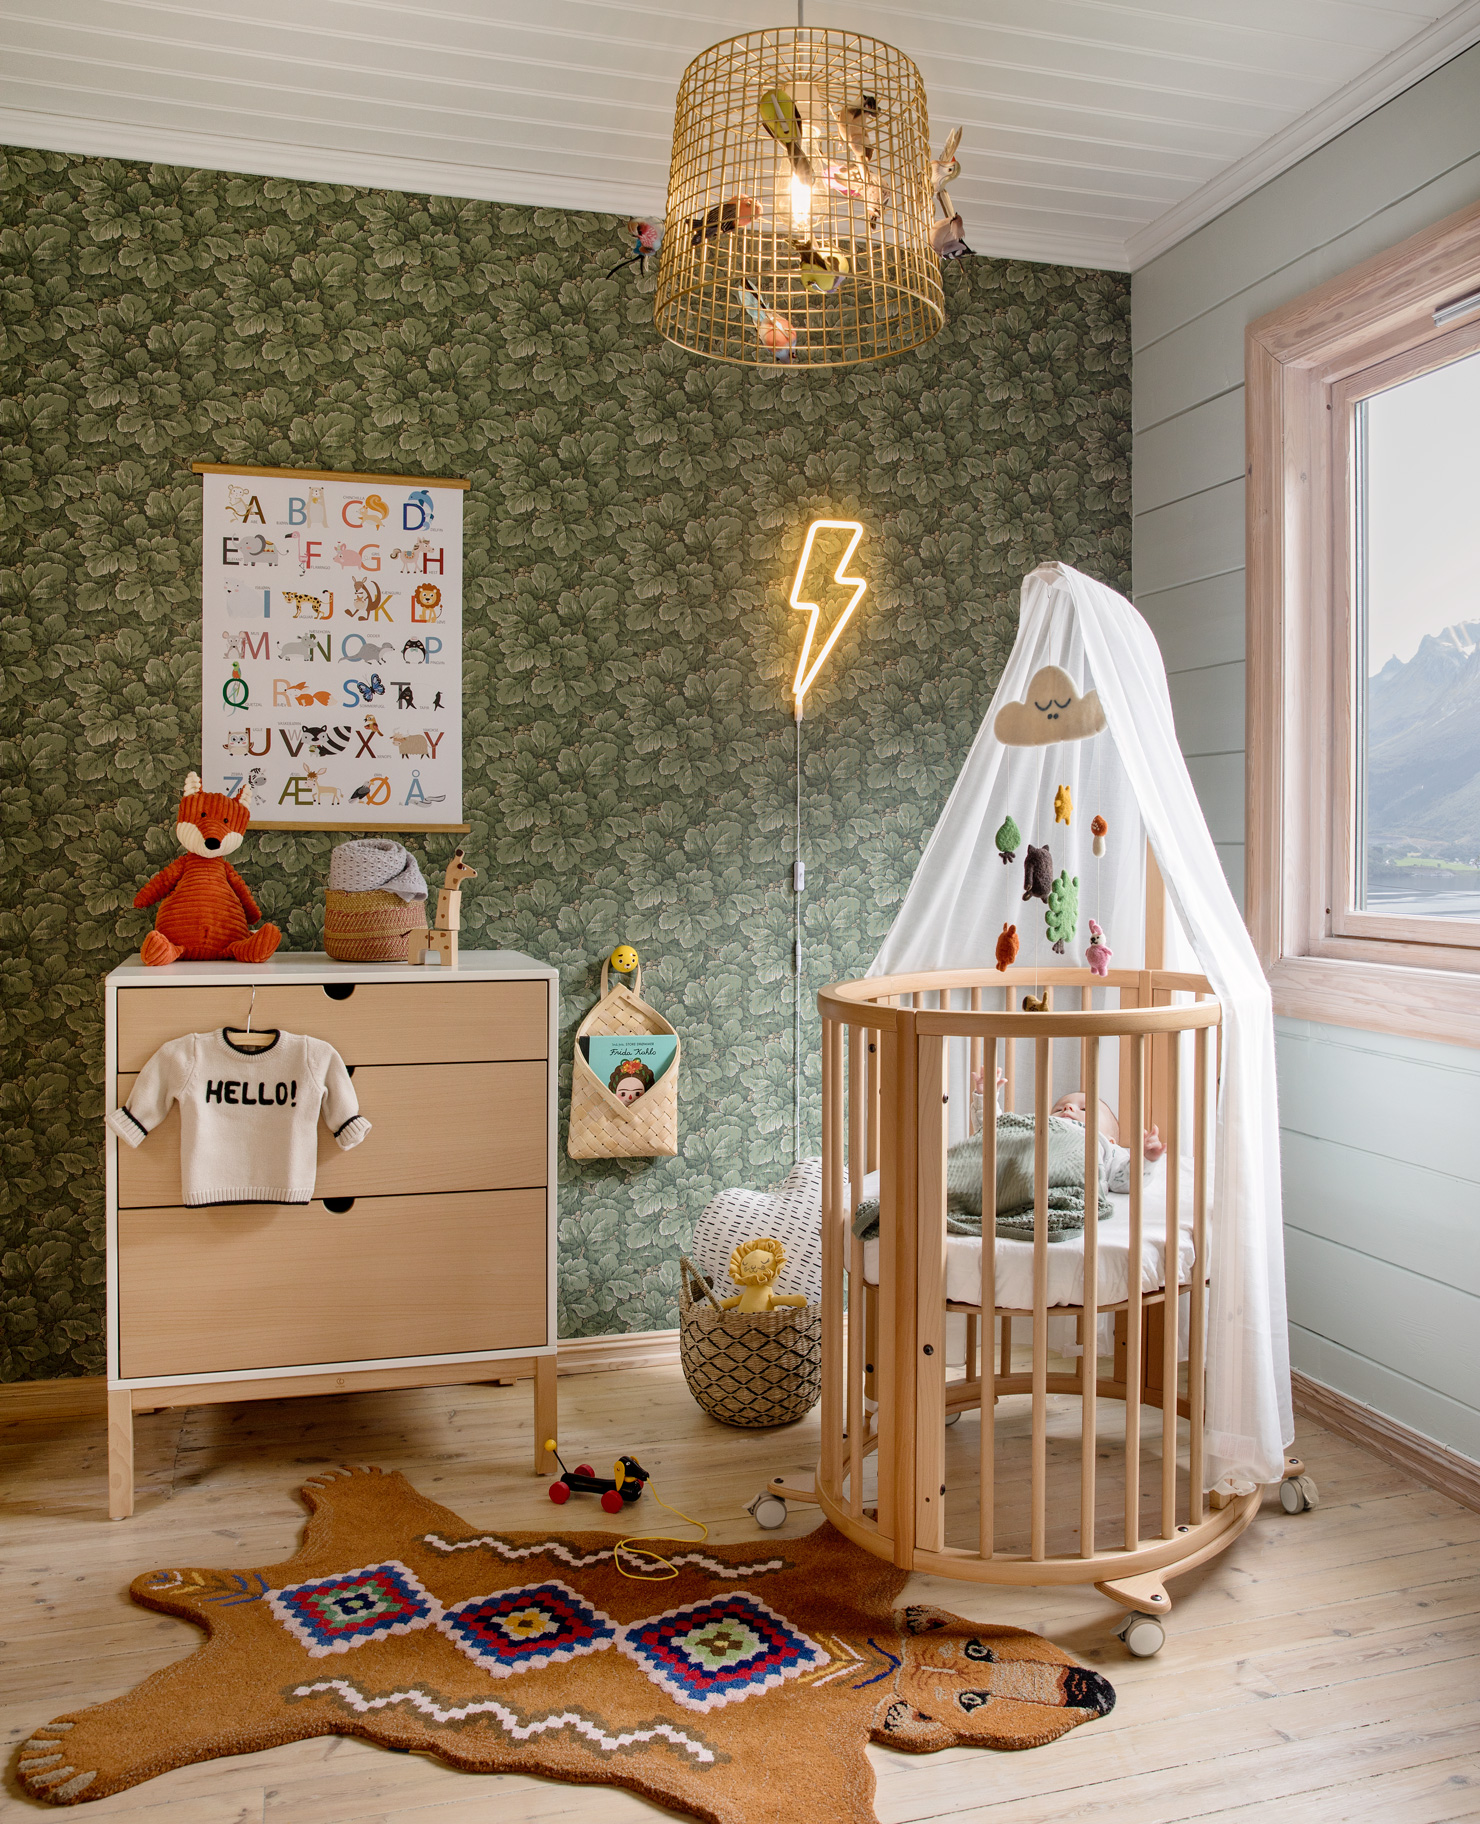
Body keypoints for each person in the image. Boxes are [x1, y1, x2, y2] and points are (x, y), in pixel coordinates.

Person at [1049, 1091, 1165, 1193]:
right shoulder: (1042, 1130)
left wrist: (1144, 1160)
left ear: (1110, 1142)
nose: (1068, 1107)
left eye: (1084, 1109)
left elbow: (1124, 1180)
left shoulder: (1108, 1149)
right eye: (1058, 1109)